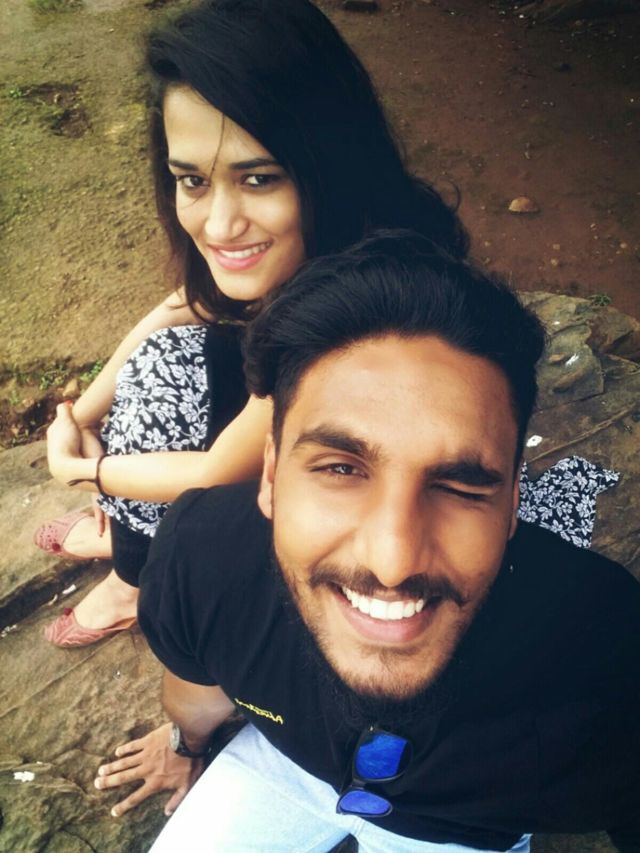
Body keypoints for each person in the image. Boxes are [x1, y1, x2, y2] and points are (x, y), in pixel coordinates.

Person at [136, 231, 640, 851]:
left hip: (459, 834)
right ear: (270, 476)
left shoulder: (606, 655)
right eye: (340, 469)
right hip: (279, 767)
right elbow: (195, 695)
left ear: (512, 503)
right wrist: (185, 746)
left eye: (460, 486)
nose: (393, 562)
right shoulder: (201, 554)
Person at [39, 0, 468, 643]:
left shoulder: (361, 302)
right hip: (280, 437)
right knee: (167, 359)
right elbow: (186, 303)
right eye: (192, 181)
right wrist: (83, 414)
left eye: (259, 179)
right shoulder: (327, 236)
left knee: (166, 392)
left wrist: (84, 471)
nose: (219, 224)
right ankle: (133, 533)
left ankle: (136, 580)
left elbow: (216, 470)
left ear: (325, 162)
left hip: (346, 517)